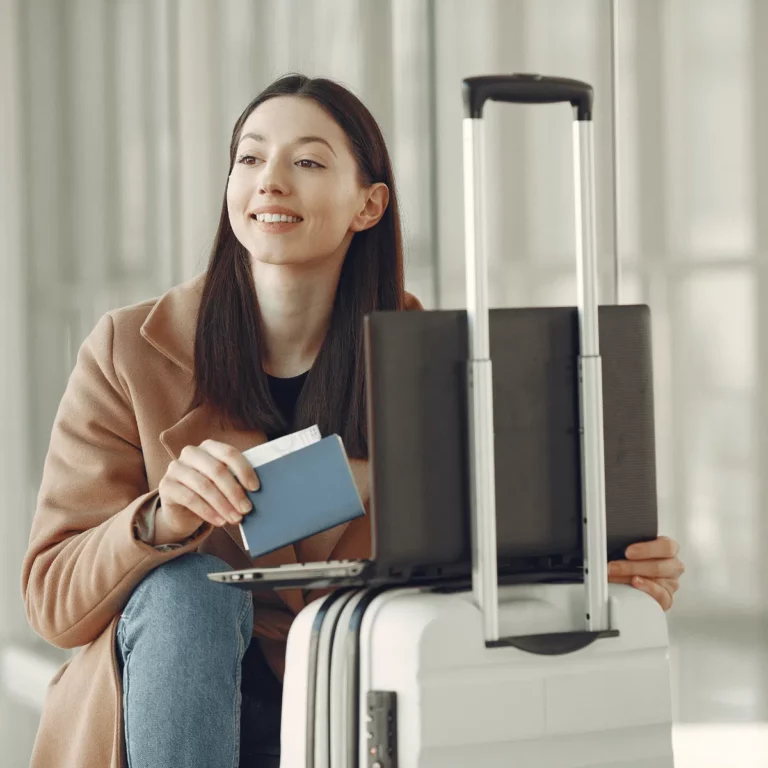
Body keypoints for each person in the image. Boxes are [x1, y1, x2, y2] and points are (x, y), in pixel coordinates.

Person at [20, 74, 685, 768]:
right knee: (189, 593)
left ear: (368, 205)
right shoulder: (130, 350)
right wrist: (158, 523)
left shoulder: (432, 359)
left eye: (306, 162)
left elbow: (481, 553)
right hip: (172, 706)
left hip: (344, 703)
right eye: (249, 159)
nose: (269, 181)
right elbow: (53, 603)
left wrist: (601, 572)